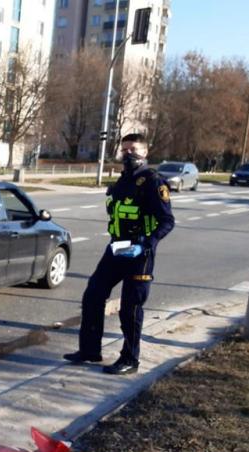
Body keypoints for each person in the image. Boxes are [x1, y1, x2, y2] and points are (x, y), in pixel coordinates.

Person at [64, 133, 175, 375]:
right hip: (116, 248)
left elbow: (167, 221)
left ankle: (130, 359)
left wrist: (147, 243)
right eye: (124, 150)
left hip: (140, 253)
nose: (128, 154)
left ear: (145, 153)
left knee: (130, 308)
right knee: (93, 294)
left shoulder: (153, 182)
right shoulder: (123, 180)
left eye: (133, 149)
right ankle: (90, 351)